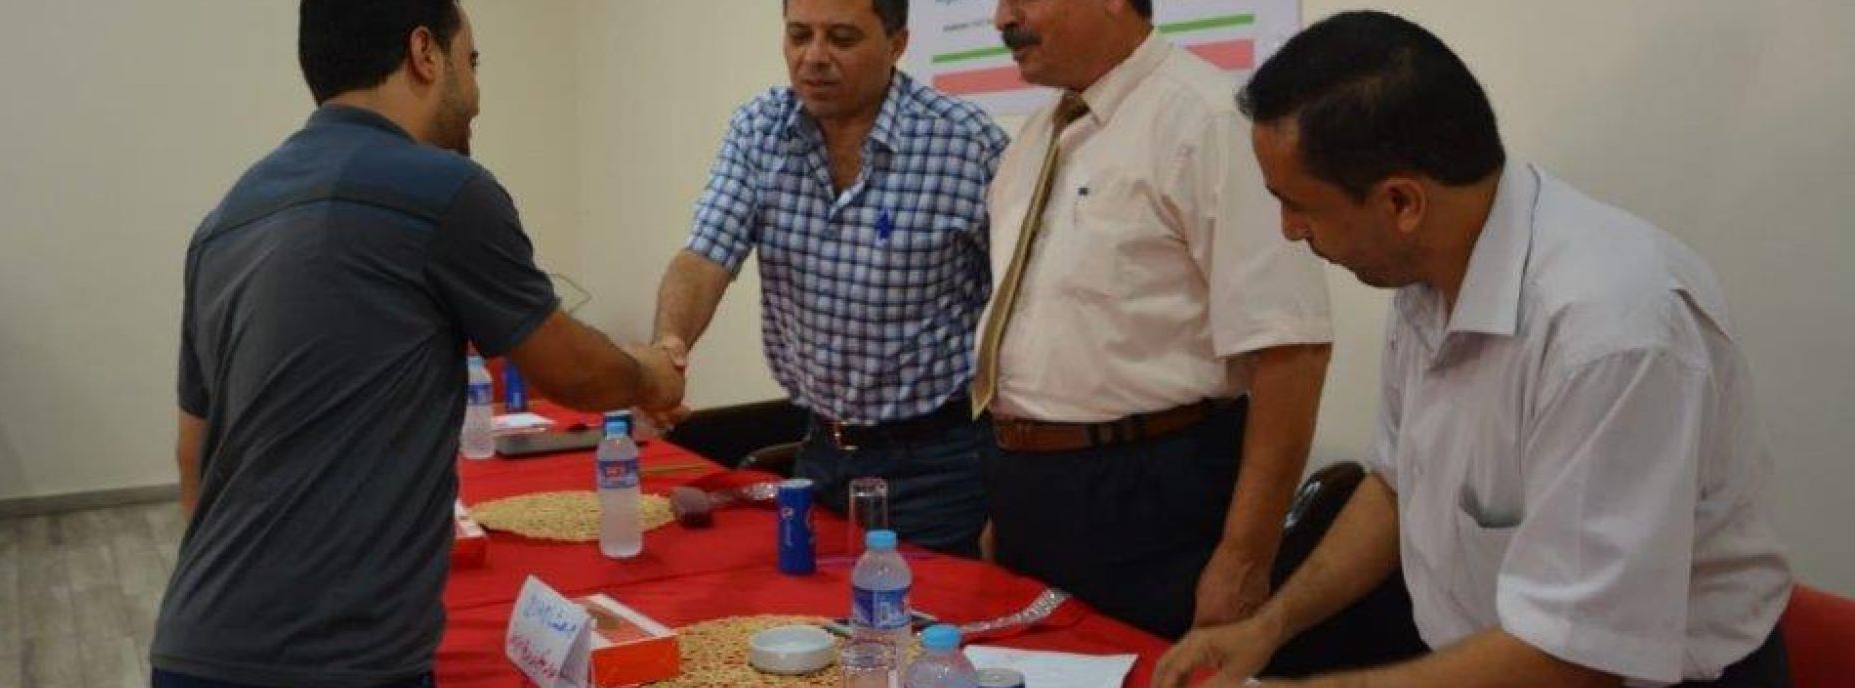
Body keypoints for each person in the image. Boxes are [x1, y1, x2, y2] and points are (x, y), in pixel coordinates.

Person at [1153, 11, 1792, 688]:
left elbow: (1579, 654)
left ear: (1402, 202)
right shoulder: (1428, 274)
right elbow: (1396, 487)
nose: (1289, 230)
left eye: (1298, 205)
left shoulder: (1609, 334)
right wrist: (1270, 625)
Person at [153, 2, 684, 686]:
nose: (478, 95)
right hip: (338, 662)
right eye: (472, 62)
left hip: (194, 641)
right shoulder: (444, 190)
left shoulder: (225, 219)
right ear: (424, 53)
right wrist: (652, 375)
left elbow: (192, 453)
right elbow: (573, 373)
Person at [973, 0, 1333, 640]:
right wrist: (1015, 491)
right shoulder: (1038, 137)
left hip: (1151, 491)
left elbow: (1291, 349)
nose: (1003, 19)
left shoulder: (1209, 122)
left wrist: (1244, 559)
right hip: (1031, 488)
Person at [650, 0, 1008, 556]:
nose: (813, 57)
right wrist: (668, 348)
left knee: (919, 607)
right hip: (821, 448)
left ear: (896, 44)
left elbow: (1021, 305)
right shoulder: (760, 128)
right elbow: (704, 255)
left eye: (841, 38)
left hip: (939, 463)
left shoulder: (966, 145)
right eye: (799, 35)